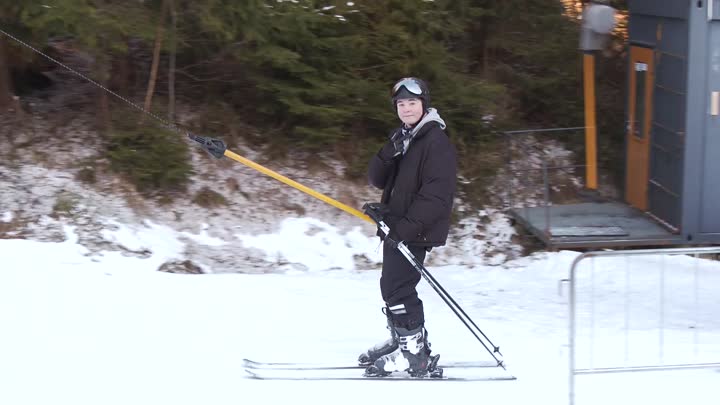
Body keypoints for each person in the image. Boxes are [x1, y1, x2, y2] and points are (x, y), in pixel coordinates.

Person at [360, 77, 457, 377]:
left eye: (412, 103)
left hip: (415, 229)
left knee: (398, 288)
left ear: (424, 104)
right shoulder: (405, 138)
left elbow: (436, 196)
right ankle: (401, 340)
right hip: (398, 226)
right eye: (401, 104)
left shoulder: (435, 142)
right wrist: (389, 151)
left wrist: (404, 228)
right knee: (392, 286)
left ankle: (415, 355)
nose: (406, 108)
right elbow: (377, 179)